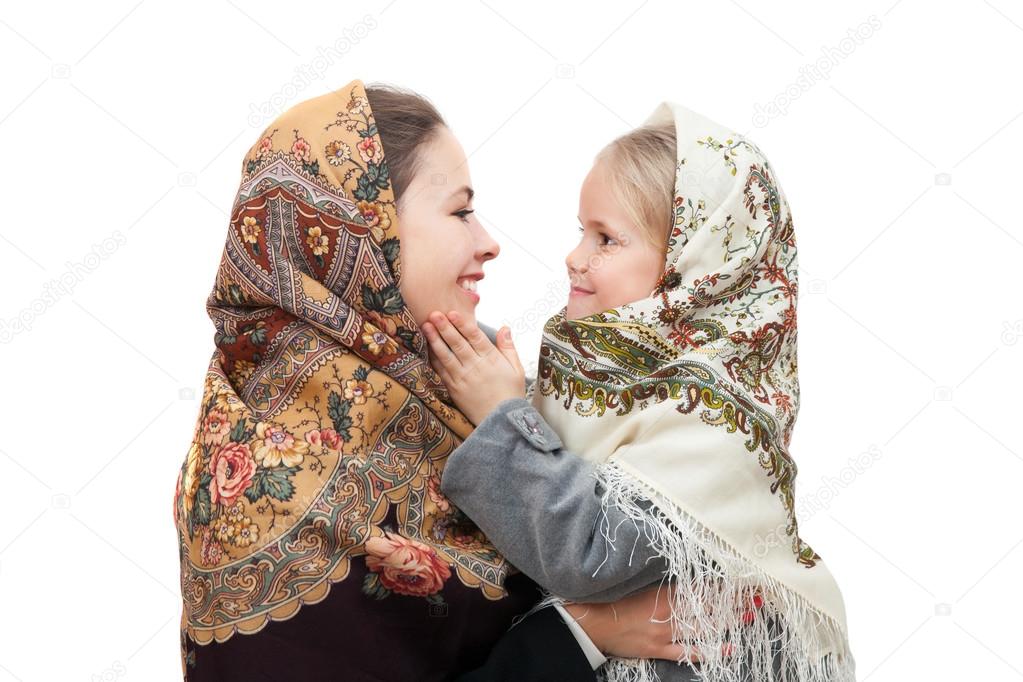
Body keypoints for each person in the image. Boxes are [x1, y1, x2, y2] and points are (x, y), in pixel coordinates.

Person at [172, 78, 687, 681]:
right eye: (461, 211)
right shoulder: (264, 480)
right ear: (364, 233)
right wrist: (579, 635)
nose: (490, 243)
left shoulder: (464, 388)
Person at [424, 102, 856, 681]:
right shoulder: (609, 384)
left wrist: (500, 413)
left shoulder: (715, 419)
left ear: (692, 275)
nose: (575, 257)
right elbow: (566, 447)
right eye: (581, 231)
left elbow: (590, 550)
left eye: (606, 239)